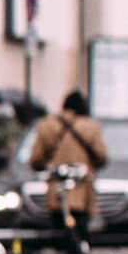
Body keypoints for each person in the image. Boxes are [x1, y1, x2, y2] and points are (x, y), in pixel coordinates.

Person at [28, 90, 111, 225]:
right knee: (80, 230)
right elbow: (102, 157)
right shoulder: (91, 127)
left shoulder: (47, 126)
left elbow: (36, 160)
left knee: (58, 231)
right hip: (82, 191)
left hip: (57, 192)